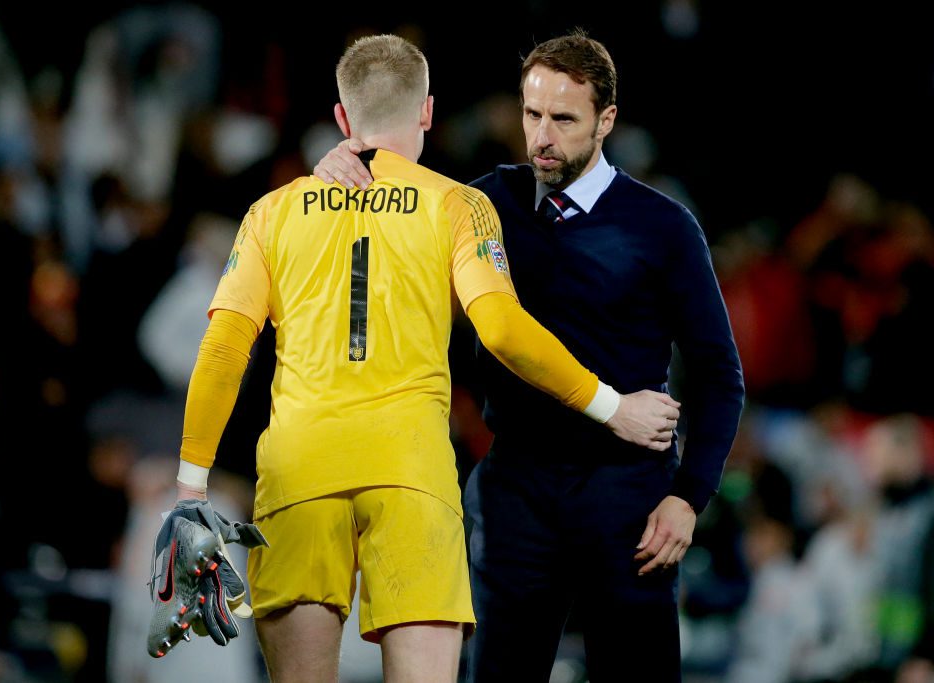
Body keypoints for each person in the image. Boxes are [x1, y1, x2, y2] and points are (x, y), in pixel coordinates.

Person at [166, 34, 672, 682]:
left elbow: (223, 349)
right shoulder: (458, 205)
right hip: (412, 472)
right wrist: (613, 406)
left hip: (298, 472)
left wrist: (191, 485)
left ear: (344, 120)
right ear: (427, 112)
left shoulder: (272, 212)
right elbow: (504, 332)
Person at [315, 30, 745, 681]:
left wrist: (689, 497)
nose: (541, 134)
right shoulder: (484, 201)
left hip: (627, 491)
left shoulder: (662, 226)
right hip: (516, 485)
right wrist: (343, 168)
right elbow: (394, 215)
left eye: (563, 119)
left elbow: (720, 376)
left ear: (606, 121)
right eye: (531, 113)